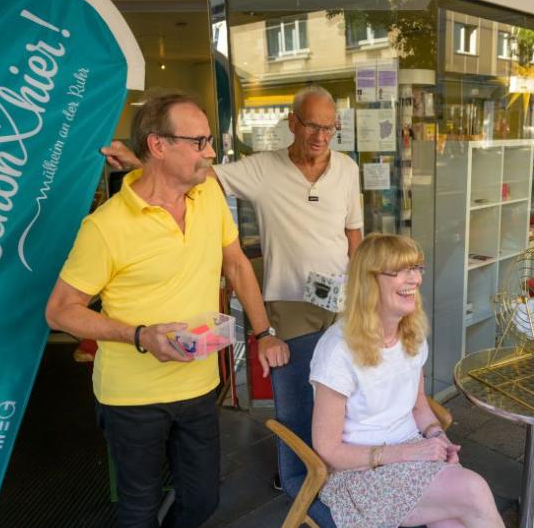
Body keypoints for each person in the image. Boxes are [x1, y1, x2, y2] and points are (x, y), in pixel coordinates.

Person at [45, 93, 289, 528]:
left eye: (209, 141)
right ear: (158, 145)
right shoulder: (106, 227)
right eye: (199, 142)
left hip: (199, 384)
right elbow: (60, 311)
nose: (211, 153)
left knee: (203, 498)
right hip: (132, 397)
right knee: (140, 505)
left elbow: (235, 265)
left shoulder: (208, 195)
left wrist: (263, 332)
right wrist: (140, 335)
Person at [102, 86, 363, 342]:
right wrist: (139, 162)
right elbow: (198, 176)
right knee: (298, 378)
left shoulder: (347, 169)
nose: (321, 136)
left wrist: (361, 286)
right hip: (290, 299)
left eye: (328, 128)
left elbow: (353, 233)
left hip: (341, 296)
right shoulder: (264, 168)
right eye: (312, 126)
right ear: (293, 123)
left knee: (342, 376)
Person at [310, 233, 511, 528]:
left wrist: (438, 438)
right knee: (474, 492)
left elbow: (419, 407)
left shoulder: (411, 335)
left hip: (416, 454)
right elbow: (328, 449)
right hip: (361, 473)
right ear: (369, 282)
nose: (415, 278)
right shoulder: (337, 351)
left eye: (417, 268)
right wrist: (405, 453)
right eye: (401, 271)